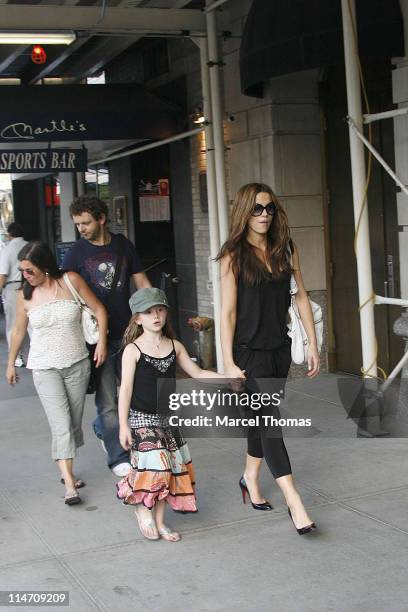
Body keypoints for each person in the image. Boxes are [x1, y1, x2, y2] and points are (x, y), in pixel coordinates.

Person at [218, 183, 320, 535]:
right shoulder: (234, 254)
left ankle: (249, 477)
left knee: (260, 420)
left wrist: (313, 343)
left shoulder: (284, 248)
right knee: (271, 422)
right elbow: (228, 313)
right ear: (244, 211)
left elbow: (302, 296)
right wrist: (228, 360)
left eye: (269, 209)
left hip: (279, 349)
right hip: (248, 354)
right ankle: (294, 500)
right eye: (257, 208)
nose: (264, 215)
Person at [116, 287, 225, 541]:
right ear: (137, 318)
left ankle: (161, 520)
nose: (156, 315)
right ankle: (144, 511)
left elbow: (197, 373)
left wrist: (229, 380)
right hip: (141, 417)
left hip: (167, 417)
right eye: (148, 312)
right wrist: (123, 425)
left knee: (170, 469)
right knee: (158, 464)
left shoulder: (174, 346)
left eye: (160, 310)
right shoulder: (132, 350)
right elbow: (126, 390)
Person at [6, 241, 108, 505]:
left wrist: (102, 344)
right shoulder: (24, 295)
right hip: (43, 366)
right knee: (61, 425)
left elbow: (99, 309)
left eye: (29, 271)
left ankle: (67, 470)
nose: (25, 276)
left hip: (77, 364)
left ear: (44, 266)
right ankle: (70, 485)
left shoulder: (70, 281)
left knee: (73, 423)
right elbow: (18, 331)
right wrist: (10, 363)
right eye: (22, 271)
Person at [62, 195, 151, 477]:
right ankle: (118, 457)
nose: (81, 229)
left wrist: (153, 312)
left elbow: (142, 281)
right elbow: (65, 293)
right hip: (96, 338)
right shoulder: (75, 253)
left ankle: (106, 428)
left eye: (86, 223)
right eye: (77, 224)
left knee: (135, 393)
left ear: (101, 219)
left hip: (128, 333)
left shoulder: (123, 245)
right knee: (108, 400)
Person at [0, 222, 27, 367]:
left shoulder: (7, 250)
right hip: (31, 286)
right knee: (33, 324)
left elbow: (3, 274)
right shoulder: (30, 246)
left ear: (9, 235)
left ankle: (17, 357)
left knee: (13, 324)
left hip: (12, 288)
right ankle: (37, 354)